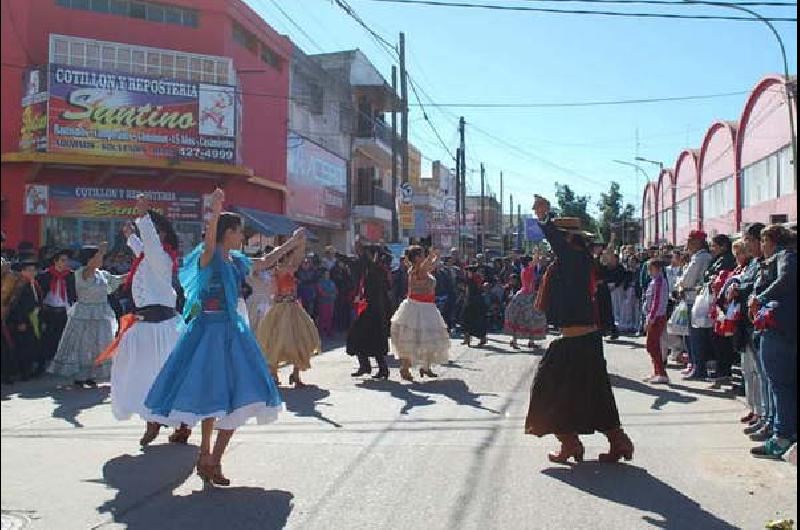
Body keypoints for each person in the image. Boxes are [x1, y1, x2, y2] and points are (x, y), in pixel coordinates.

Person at [144, 189, 283, 486]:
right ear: (228, 232)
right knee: (215, 395)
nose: (242, 236)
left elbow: (263, 262)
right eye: (239, 231)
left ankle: (210, 458)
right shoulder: (208, 257)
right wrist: (215, 209)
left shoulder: (236, 260)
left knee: (238, 393)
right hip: (208, 332)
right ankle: (208, 458)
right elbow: (210, 241)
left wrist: (293, 244)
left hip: (232, 331)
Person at [525, 195, 633, 465]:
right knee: (593, 393)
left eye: (561, 238)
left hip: (576, 339)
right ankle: (615, 441)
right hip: (584, 338)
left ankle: (570, 441)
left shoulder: (573, 258)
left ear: (568, 238)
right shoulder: (579, 260)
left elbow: (557, 241)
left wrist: (544, 217)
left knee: (548, 390)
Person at [98, 198, 188, 447]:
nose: (150, 237)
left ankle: (182, 424)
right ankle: (152, 420)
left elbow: (149, 245)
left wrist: (143, 216)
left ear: (163, 235)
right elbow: (143, 248)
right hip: (144, 326)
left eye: (155, 232)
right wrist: (130, 235)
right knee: (140, 374)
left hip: (163, 328)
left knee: (168, 376)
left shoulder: (163, 258)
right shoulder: (147, 258)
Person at [749, 225, 797, 459]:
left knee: (780, 385)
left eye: (763, 240)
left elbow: (786, 280)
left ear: (773, 240)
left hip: (780, 331)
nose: (761, 245)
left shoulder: (785, 256)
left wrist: (759, 298)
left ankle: (782, 436)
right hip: (787, 330)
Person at [48, 243, 125, 388]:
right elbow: (89, 271)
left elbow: (120, 279)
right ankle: (80, 376)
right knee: (83, 345)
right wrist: (100, 252)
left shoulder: (102, 274)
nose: (101, 259)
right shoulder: (81, 272)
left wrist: (138, 269)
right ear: (89, 259)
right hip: (84, 314)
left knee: (99, 344)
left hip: (100, 313)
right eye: (96, 257)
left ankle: (92, 375)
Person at [256, 230, 321, 388]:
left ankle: (295, 374)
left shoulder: (290, 270)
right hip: (280, 309)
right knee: (276, 342)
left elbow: (298, 259)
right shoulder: (277, 272)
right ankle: (274, 374)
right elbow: (273, 292)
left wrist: (301, 242)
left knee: (301, 340)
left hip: (293, 307)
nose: (293, 261)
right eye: (289, 257)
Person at [391, 246, 451, 381]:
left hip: (424, 306)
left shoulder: (416, 268)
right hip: (420, 307)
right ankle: (406, 368)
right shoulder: (418, 269)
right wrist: (431, 255)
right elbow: (428, 265)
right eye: (422, 255)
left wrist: (435, 256)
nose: (424, 257)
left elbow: (432, 265)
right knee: (414, 339)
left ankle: (425, 367)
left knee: (426, 339)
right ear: (417, 257)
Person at [346, 244, 390, 379]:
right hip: (367, 309)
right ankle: (365, 365)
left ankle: (382, 369)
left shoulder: (378, 269)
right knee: (358, 338)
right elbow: (353, 263)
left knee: (374, 340)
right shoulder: (367, 269)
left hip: (375, 310)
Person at [676, 230, 713, 380]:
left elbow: (687, 280)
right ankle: (694, 364)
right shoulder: (699, 256)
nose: (688, 243)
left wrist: (679, 285)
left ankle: (699, 368)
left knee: (696, 337)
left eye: (691, 240)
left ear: (698, 241)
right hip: (694, 298)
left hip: (695, 299)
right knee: (692, 336)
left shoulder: (700, 257)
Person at [37, 249, 76, 373]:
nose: (65, 263)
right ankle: (41, 365)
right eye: (63, 260)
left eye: (67, 260)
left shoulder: (70, 276)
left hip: (64, 311)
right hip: (48, 311)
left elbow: (74, 293)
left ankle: (60, 366)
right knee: (46, 338)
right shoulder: (45, 275)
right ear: (55, 262)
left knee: (62, 340)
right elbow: (39, 294)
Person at [6, 259, 42, 382]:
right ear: (22, 272)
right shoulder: (19, 285)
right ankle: (22, 372)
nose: (32, 272)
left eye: (34, 270)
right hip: (23, 319)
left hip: (34, 318)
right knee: (22, 346)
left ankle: (29, 369)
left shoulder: (34, 283)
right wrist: (20, 321)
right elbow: (15, 305)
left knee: (31, 345)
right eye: (29, 270)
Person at [505, 255, 547, 349]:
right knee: (530, 318)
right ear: (528, 262)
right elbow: (536, 263)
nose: (533, 262)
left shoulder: (525, 269)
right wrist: (537, 253)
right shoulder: (528, 269)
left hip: (525, 294)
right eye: (531, 261)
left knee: (523, 318)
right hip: (528, 295)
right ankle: (522, 341)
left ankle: (521, 341)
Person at [643, 259, 669, 384]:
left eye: (651, 269)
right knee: (652, 345)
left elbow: (656, 302)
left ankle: (662, 373)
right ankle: (657, 371)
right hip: (653, 316)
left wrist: (650, 319)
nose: (649, 272)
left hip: (657, 317)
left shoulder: (659, 282)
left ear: (658, 269)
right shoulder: (654, 281)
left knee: (652, 345)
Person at [246, 247, 275, 332]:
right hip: (255, 303)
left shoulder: (269, 273)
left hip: (267, 302)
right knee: (255, 329)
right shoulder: (252, 271)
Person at [461, 264, 488, 347]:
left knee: (477, 320)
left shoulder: (476, 278)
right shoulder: (471, 279)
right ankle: (467, 337)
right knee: (465, 318)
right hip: (469, 301)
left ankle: (482, 338)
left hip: (475, 301)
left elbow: (477, 288)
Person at [316, 269, 338, 339]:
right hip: (323, 302)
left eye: (328, 274)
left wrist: (333, 295)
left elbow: (336, 291)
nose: (327, 275)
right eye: (326, 274)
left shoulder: (332, 282)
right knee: (323, 317)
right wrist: (329, 294)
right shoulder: (320, 282)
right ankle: (321, 332)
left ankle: (329, 331)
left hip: (331, 302)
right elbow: (320, 292)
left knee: (330, 317)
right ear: (323, 275)